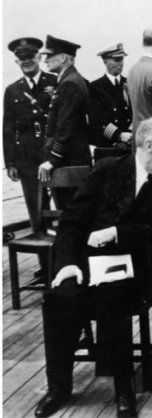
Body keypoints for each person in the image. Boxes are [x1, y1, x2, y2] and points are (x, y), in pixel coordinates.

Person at [33, 116, 152, 418]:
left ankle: (123, 388)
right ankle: (58, 387)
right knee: (60, 296)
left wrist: (116, 234)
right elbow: (71, 222)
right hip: (89, 264)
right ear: (148, 145)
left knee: (113, 295)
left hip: (135, 267)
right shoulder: (108, 170)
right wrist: (67, 265)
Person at [4, 37, 57, 276]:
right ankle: (45, 265)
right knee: (36, 211)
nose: (27, 62)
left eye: (31, 57)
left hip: (54, 157)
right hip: (27, 160)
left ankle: (65, 258)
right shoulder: (12, 90)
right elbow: (8, 128)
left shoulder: (55, 82)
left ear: (39, 58)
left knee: (64, 205)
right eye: (22, 59)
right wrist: (10, 163)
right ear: (17, 61)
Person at [39, 35, 92, 209]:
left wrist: (53, 160)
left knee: (69, 212)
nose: (45, 60)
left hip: (69, 161)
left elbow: (65, 128)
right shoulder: (69, 80)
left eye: (49, 56)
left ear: (63, 58)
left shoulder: (70, 83)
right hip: (71, 158)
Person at [87, 43, 132, 151]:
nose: (120, 64)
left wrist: (131, 133)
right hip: (107, 145)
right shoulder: (94, 87)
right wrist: (119, 135)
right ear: (105, 61)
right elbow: (96, 119)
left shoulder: (129, 84)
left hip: (130, 143)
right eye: (117, 60)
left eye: (122, 60)